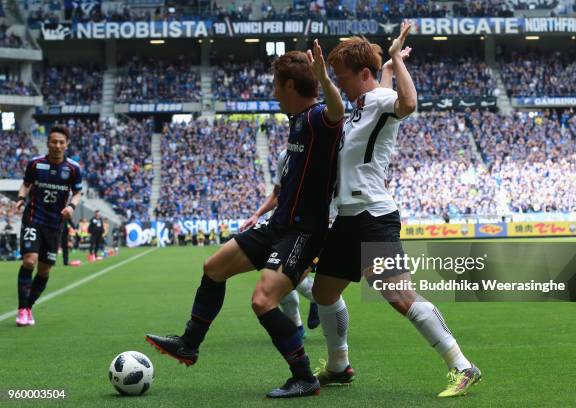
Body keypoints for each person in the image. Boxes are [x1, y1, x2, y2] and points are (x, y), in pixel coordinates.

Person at [145, 44, 344, 398]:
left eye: (276, 85)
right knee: (213, 267)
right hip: (279, 226)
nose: (272, 92)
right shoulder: (297, 121)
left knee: (263, 300)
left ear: (291, 88)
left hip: (303, 232)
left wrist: (323, 79)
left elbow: (337, 111)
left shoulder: (316, 117)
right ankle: (189, 344)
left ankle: (304, 376)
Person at [311, 22, 481, 398]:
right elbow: (379, 91)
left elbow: (407, 103)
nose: (340, 85)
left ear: (364, 75)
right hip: (347, 217)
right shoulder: (360, 104)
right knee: (323, 293)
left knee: (399, 295)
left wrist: (393, 60)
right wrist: (388, 67)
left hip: (373, 216)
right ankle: (339, 366)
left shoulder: (380, 101)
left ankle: (462, 366)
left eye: (343, 78)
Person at [241, 148, 320, 337]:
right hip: (278, 228)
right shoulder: (285, 156)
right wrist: (257, 215)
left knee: (288, 282)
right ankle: (297, 327)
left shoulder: (320, 157)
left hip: (304, 231)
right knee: (282, 285)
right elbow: (277, 194)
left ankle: (317, 301)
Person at [15, 125, 82, 326]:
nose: (57, 145)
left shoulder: (73, 169)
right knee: (29, 261)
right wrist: (20, 198)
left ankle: (28, 306)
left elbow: (78, 192)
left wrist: (71, 206)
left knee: (44, 270)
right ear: (48, 143)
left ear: (66, 144)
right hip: (33, 219)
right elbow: (26, 184)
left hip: (54, 225)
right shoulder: (35, 164)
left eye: (61, 142)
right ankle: (22, 310)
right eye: (54, 141)